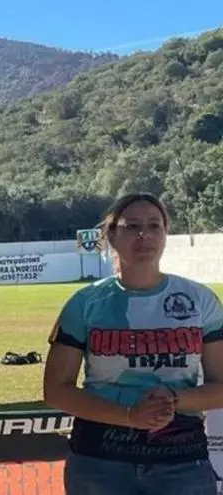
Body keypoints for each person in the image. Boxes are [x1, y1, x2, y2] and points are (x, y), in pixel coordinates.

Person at [43, 192, 223, 495]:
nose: (144, 235)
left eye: (154, 226)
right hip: (100, 462)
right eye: (133, 226)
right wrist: (129, 416)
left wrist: (174, 399)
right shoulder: (84, 303)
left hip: (181, 462)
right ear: (112, 235)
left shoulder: (200, 300)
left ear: (165, 234)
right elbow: (56, 390)